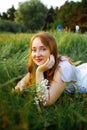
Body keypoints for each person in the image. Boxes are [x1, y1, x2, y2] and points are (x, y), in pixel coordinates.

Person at [13, 31, 87, 106]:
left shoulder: (63, 68)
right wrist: (20, 86)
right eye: (34, 50)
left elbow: (45, 102)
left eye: (43, 49)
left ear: (52, 51)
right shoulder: (42, 63)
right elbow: (22, 82)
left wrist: (39, 72)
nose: (37, 54)